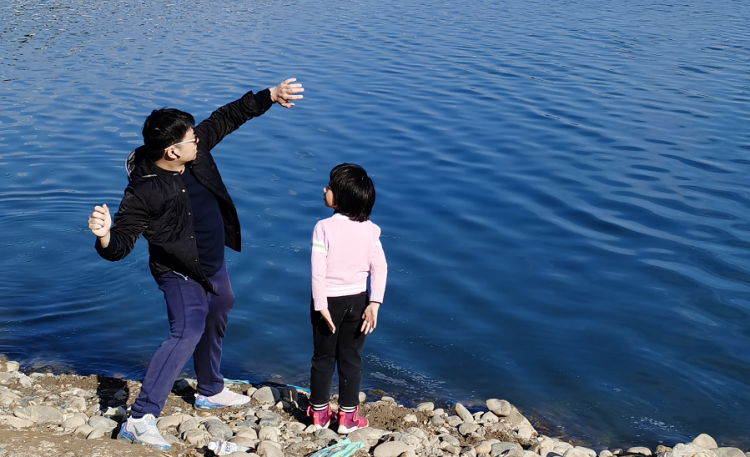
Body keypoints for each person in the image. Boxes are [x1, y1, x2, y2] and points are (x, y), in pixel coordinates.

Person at [86, 78, 304, 451]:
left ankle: (209, 389)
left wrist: (269, 96)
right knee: (186, 331)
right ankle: (139, 419)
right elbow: (119, 245)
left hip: (212, 262)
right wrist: (104, 235)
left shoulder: (194, 151)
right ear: (172, 151)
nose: (197, 140)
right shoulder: (144, 190)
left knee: (220, 308)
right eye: (190, 139)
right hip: (178, 269)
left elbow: (226, 117)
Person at [307, 163, 387, 434]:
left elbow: (318, 270)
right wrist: (374, 303)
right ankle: (347, 417)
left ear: (341, 198)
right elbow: (380, 267)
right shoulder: (371, 229)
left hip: (328, 301)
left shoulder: (323, 227)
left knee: (323, 358)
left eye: (329, 187)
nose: (324, 189)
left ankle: (319, 413)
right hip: (359, 300)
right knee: (351, 358)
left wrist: (320, 305)